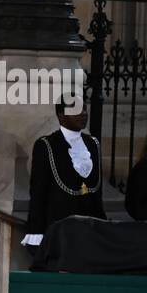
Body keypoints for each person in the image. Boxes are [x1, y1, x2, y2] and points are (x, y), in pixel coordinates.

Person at [23, 98, 106, 247]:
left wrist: (102, 224)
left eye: (85, 109)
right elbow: (38, 192)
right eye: (76, 110)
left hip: (90, 227)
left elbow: (97, 192)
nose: (83, 114)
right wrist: (36, 230)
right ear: (61, 116)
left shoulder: (93, 143)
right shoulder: (46, 145)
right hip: (59, 227)